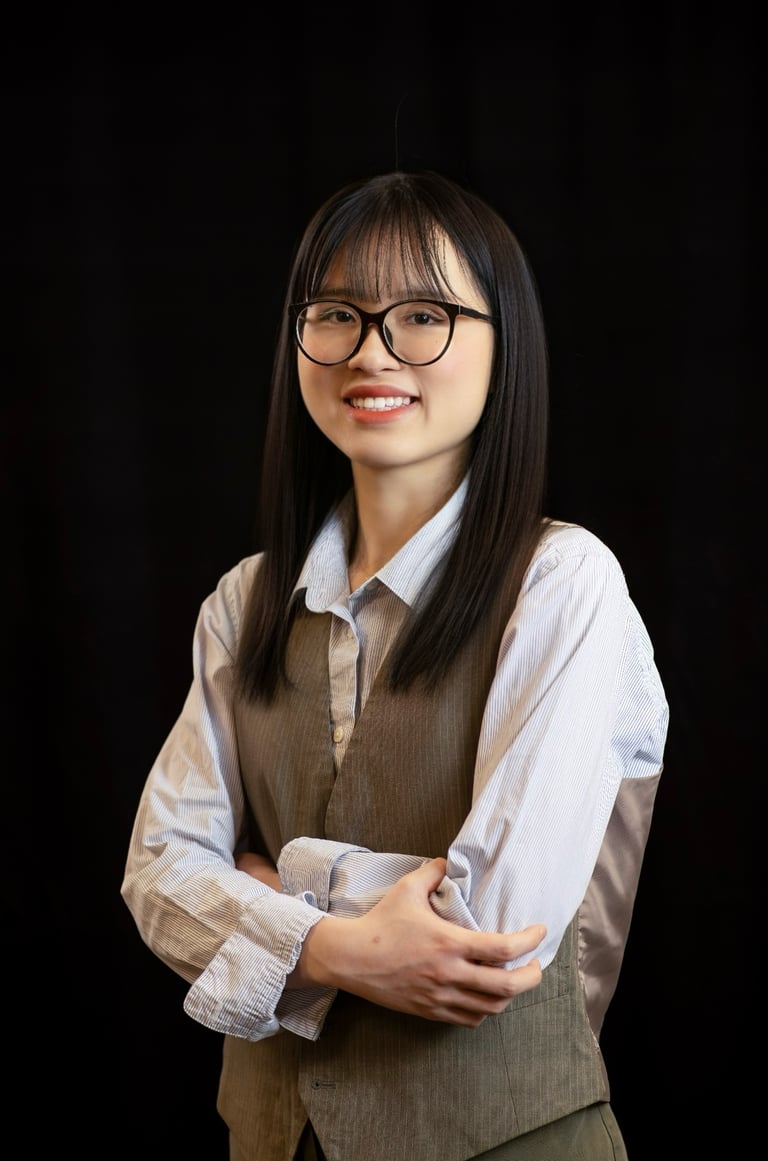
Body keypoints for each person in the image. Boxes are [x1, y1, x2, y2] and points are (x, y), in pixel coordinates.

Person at [121, 169, 669, 1161]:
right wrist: (339, 944)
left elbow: (489, 929)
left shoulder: (562, 581)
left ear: (505, 345)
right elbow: (158, 874)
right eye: (337, 314)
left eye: (423, 315)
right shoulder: (244, 601)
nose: (372, 351)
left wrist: (275, 879)